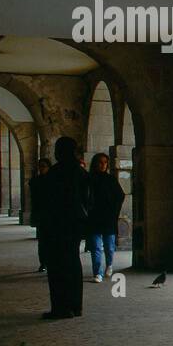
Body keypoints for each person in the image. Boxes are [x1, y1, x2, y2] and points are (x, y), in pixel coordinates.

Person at [37, 136, 92, 320]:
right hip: (75, 224)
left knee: (57, 266)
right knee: (73, 263)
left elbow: (47, 202)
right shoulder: (81, 172)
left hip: (57, 225)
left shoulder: (55, 173)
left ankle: (60, 307)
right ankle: (76, 306)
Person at [86, 152, 125, 282]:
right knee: (96, 247)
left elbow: (120, 195)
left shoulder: (110, 180)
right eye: (100, 162)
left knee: (109, 246)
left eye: (105, 162)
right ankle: (97, 273)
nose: (103, 165)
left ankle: (109, 264)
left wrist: (114, 211)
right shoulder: (89, 179)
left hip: (108, 217)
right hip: (94, 217)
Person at [29, 158, 51, 272]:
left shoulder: (53, 180)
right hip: (41, 215)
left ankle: (49, 262)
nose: (41, 169)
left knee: (49, 241)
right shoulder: (36, 181)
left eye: (44, 166)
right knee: (42, 241)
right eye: (40, 166)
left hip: (51, 214)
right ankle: (43, 263)